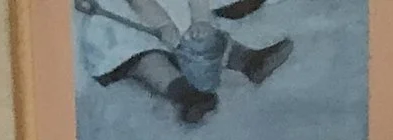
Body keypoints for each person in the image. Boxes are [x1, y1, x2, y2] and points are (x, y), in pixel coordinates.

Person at [79, 0, 293, 127]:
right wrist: (163, 25)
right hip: (114, 17)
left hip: (156, 10)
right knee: (144, 57)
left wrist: (201, 20)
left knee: (193, 31)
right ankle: (187, 96)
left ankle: (248, 60)